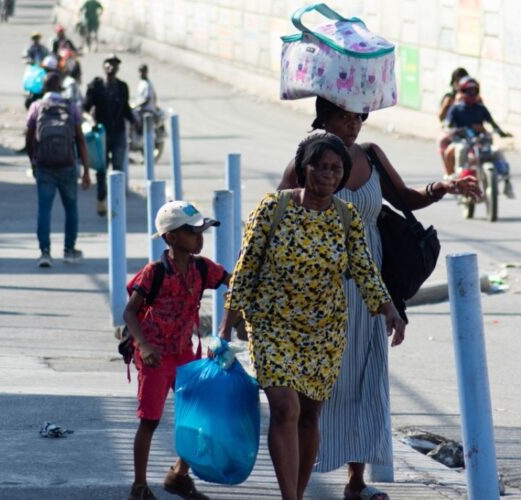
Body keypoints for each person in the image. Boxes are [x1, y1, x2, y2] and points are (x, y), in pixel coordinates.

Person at [278, 98, 481, 500]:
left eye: (358, 118)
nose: (352, 126)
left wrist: (442, 186)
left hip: (371, 285)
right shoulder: (309, 159)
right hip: (321, 289)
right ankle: (298, 485)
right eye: (343, 117)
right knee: (321, 383)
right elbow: (279, 214)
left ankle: (356, 479)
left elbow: (405, 196)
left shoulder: (370, 155)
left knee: (367, 375)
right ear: (324, 116)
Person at [221, 133, 405, 500]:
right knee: (285, 408)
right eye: (318, 166)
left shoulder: (346, 216)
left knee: (309, 416)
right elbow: (246, 266)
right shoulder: (273, 208)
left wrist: (388, 307)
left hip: (325, 330)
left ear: (342, 174)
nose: (326, 174)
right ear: (303, 169)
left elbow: (365, 269)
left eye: (335, 168)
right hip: (273, 324)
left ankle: (298, 493)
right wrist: (226, 324)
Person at [123, 200, 230, 500]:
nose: (200, 238)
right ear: (170, 237)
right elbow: (130, 313)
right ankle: (139, 486)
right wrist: (143, 347)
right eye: (193, 232)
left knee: (199, 415)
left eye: (202, 231)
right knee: (150, 420)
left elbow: (231, 280)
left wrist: (234, 319)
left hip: (185, 353)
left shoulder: (201, 268)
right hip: (155, 356)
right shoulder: (154, 272)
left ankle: (178, 475)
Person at [25, 72, 91, 267]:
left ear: (44, 88)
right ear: (60, 87)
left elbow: (29, 139)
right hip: (67, 165)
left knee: (44, 209)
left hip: (44, 166)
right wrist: (86, 170)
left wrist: (33, 162)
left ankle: (45, 252)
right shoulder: (71, 107)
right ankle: (69, 250)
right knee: (71, 208)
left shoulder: (36, 107)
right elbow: (80, 139)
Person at [444, 76, 514, 197]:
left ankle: (507, 182)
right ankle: (459, 175)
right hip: (463, 140)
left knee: (497, 152)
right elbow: (447, 125)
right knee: (461, 149)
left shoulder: (481, 108)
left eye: (474, 90)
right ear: (462, 91)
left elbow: (492, 123)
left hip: (481, 141)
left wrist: (501, 133)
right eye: (468, 91)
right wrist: (455, 130)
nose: (471, 93)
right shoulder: (455, 109)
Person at [83, 54, 135, 216]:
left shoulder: (122, 87)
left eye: (114, 65)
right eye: (108, 64)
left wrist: (135, 121)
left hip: (118, 132)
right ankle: (101, 199)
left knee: (118, 168)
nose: (111, 67)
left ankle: (117, 202)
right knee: (101, 168)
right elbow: (85, 108)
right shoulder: (95, 86)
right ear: (103, 66)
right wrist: (91, 121)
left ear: (118, 68)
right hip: (102, 134)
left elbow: (126, 108)